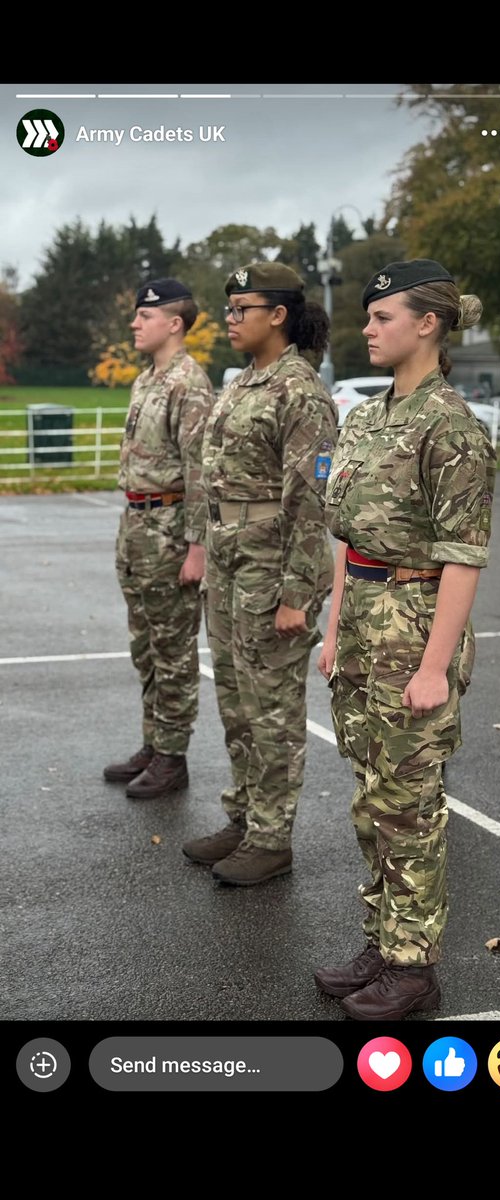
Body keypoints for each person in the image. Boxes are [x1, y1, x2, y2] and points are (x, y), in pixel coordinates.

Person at [313, 259, 496, 1018]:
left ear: (427, 323)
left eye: (382, 316)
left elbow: (462, 557)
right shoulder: (364, 418)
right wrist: (332, 630)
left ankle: (414, 967)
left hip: (412, 624)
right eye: (367, 315)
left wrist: (434, 668)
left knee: (408, 804)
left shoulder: (450, 426)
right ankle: (383, 941)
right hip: (361, 622)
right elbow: (347, 537)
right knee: (371, 797)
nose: (367, 328)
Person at [182, 262, 338, 885]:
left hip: (271, 567)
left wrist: (298, 593)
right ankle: (245, 817)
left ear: (277, 315)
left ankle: (272, 839)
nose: (230, 317)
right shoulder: (244, 382)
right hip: (229, 562)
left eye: (241, 308)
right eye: (229, 307)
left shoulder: (300, 391)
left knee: (272, 706)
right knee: (237, 700)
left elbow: (311, 501)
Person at [103, 278, 215, 799]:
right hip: (137, 527)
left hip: (170, 529)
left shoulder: (189, 384)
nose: (134, 323)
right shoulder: (147, 379)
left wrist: (197, 548)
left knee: (172, 650)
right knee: (145, 646)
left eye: (144, 316)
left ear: (174, 324)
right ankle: (153, 743)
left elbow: (200, 471)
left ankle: (172, 756)